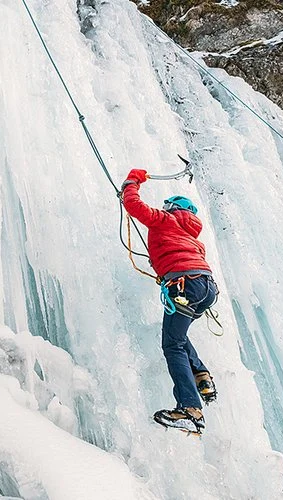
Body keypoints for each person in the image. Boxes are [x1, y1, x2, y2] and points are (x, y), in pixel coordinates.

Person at [121, 168, 218, 435]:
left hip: (185, 283)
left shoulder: (166, 220)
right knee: (178, 334)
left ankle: (190, 409)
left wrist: (132, 181)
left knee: (172, 343)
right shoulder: (192, 237)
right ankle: (201, 375)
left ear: (173, 208)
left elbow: (133, 205)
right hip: (205, 287)